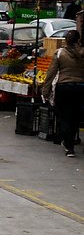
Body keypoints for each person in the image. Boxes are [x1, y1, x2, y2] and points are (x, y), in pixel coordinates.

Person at [43, 30, 84, 158]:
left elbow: (51, 73)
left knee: (66, 117)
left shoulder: (60, 53)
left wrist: (46, 90)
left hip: (64, 88)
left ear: (66, 41)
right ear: (78, 40)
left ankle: (69, 147)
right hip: (81, 88)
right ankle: (73, 139)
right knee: (77, 117)